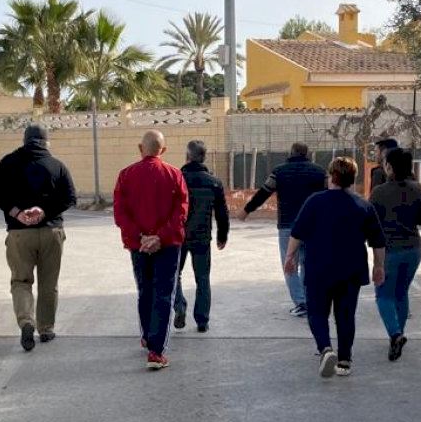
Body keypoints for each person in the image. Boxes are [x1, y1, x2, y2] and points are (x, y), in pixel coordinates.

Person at [284, 157, 386, 378]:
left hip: (319, 268)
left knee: (317, 313)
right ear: (353, 178)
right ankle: (344, 361)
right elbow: (377, 241)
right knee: (346, 315)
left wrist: (290, 256)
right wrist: (379, 266)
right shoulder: (363, 205)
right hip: (351, 270)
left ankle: (325, 348)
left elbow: (297, 233)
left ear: (331, 176)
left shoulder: (314, 202)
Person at [0, 124, 77, 351]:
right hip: (51, 232)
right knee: (49, 283)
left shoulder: (7, 163)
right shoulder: (57, 166)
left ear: (24, 141)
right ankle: (46, 329)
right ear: (46, 142)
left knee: (21, 281)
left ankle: (26, 321)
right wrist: (44, 211)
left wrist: (17, 212)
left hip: (19, 233)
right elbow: (70, 197)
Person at [113, 130, 189, 370]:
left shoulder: (126, 175)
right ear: (163, 150)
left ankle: (147, 336)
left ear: (140, 148)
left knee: (145, 290)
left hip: (138, 245)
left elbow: (120, 213)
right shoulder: (174, 174)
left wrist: (141, 237)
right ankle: (156, 351)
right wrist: (160, 236)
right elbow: (181, 211)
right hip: (168, 245)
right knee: (164, 294)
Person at [240, 142, 328, 318]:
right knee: (308, 264)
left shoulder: (279, 172)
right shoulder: (320, 172)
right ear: (307, 153)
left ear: (291, 153)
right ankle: (309, 300)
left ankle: (301, 302)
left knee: (289, 264)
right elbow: (329, 195)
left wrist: (247, 210)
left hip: (288, 225)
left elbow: (263, 193)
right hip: (313, 225)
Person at [370, 145, 421, 361]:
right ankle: (399, 333)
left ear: (389, 166)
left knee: (383, 295)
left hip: (389, 250)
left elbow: (370, 222)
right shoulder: (417, 189)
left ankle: (395, 334)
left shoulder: (379, 192)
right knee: (401, 292)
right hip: (413, 249)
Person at [173, 140, 229, 333]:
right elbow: (222, 212)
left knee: (173, 274)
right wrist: (222, 235)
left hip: (177, 237)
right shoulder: (214, 182)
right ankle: (202, 321)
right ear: (204, 157)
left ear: (187, 156)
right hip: (202, 237)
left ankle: (179, 306)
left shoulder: (177, 179)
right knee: (203, 278)